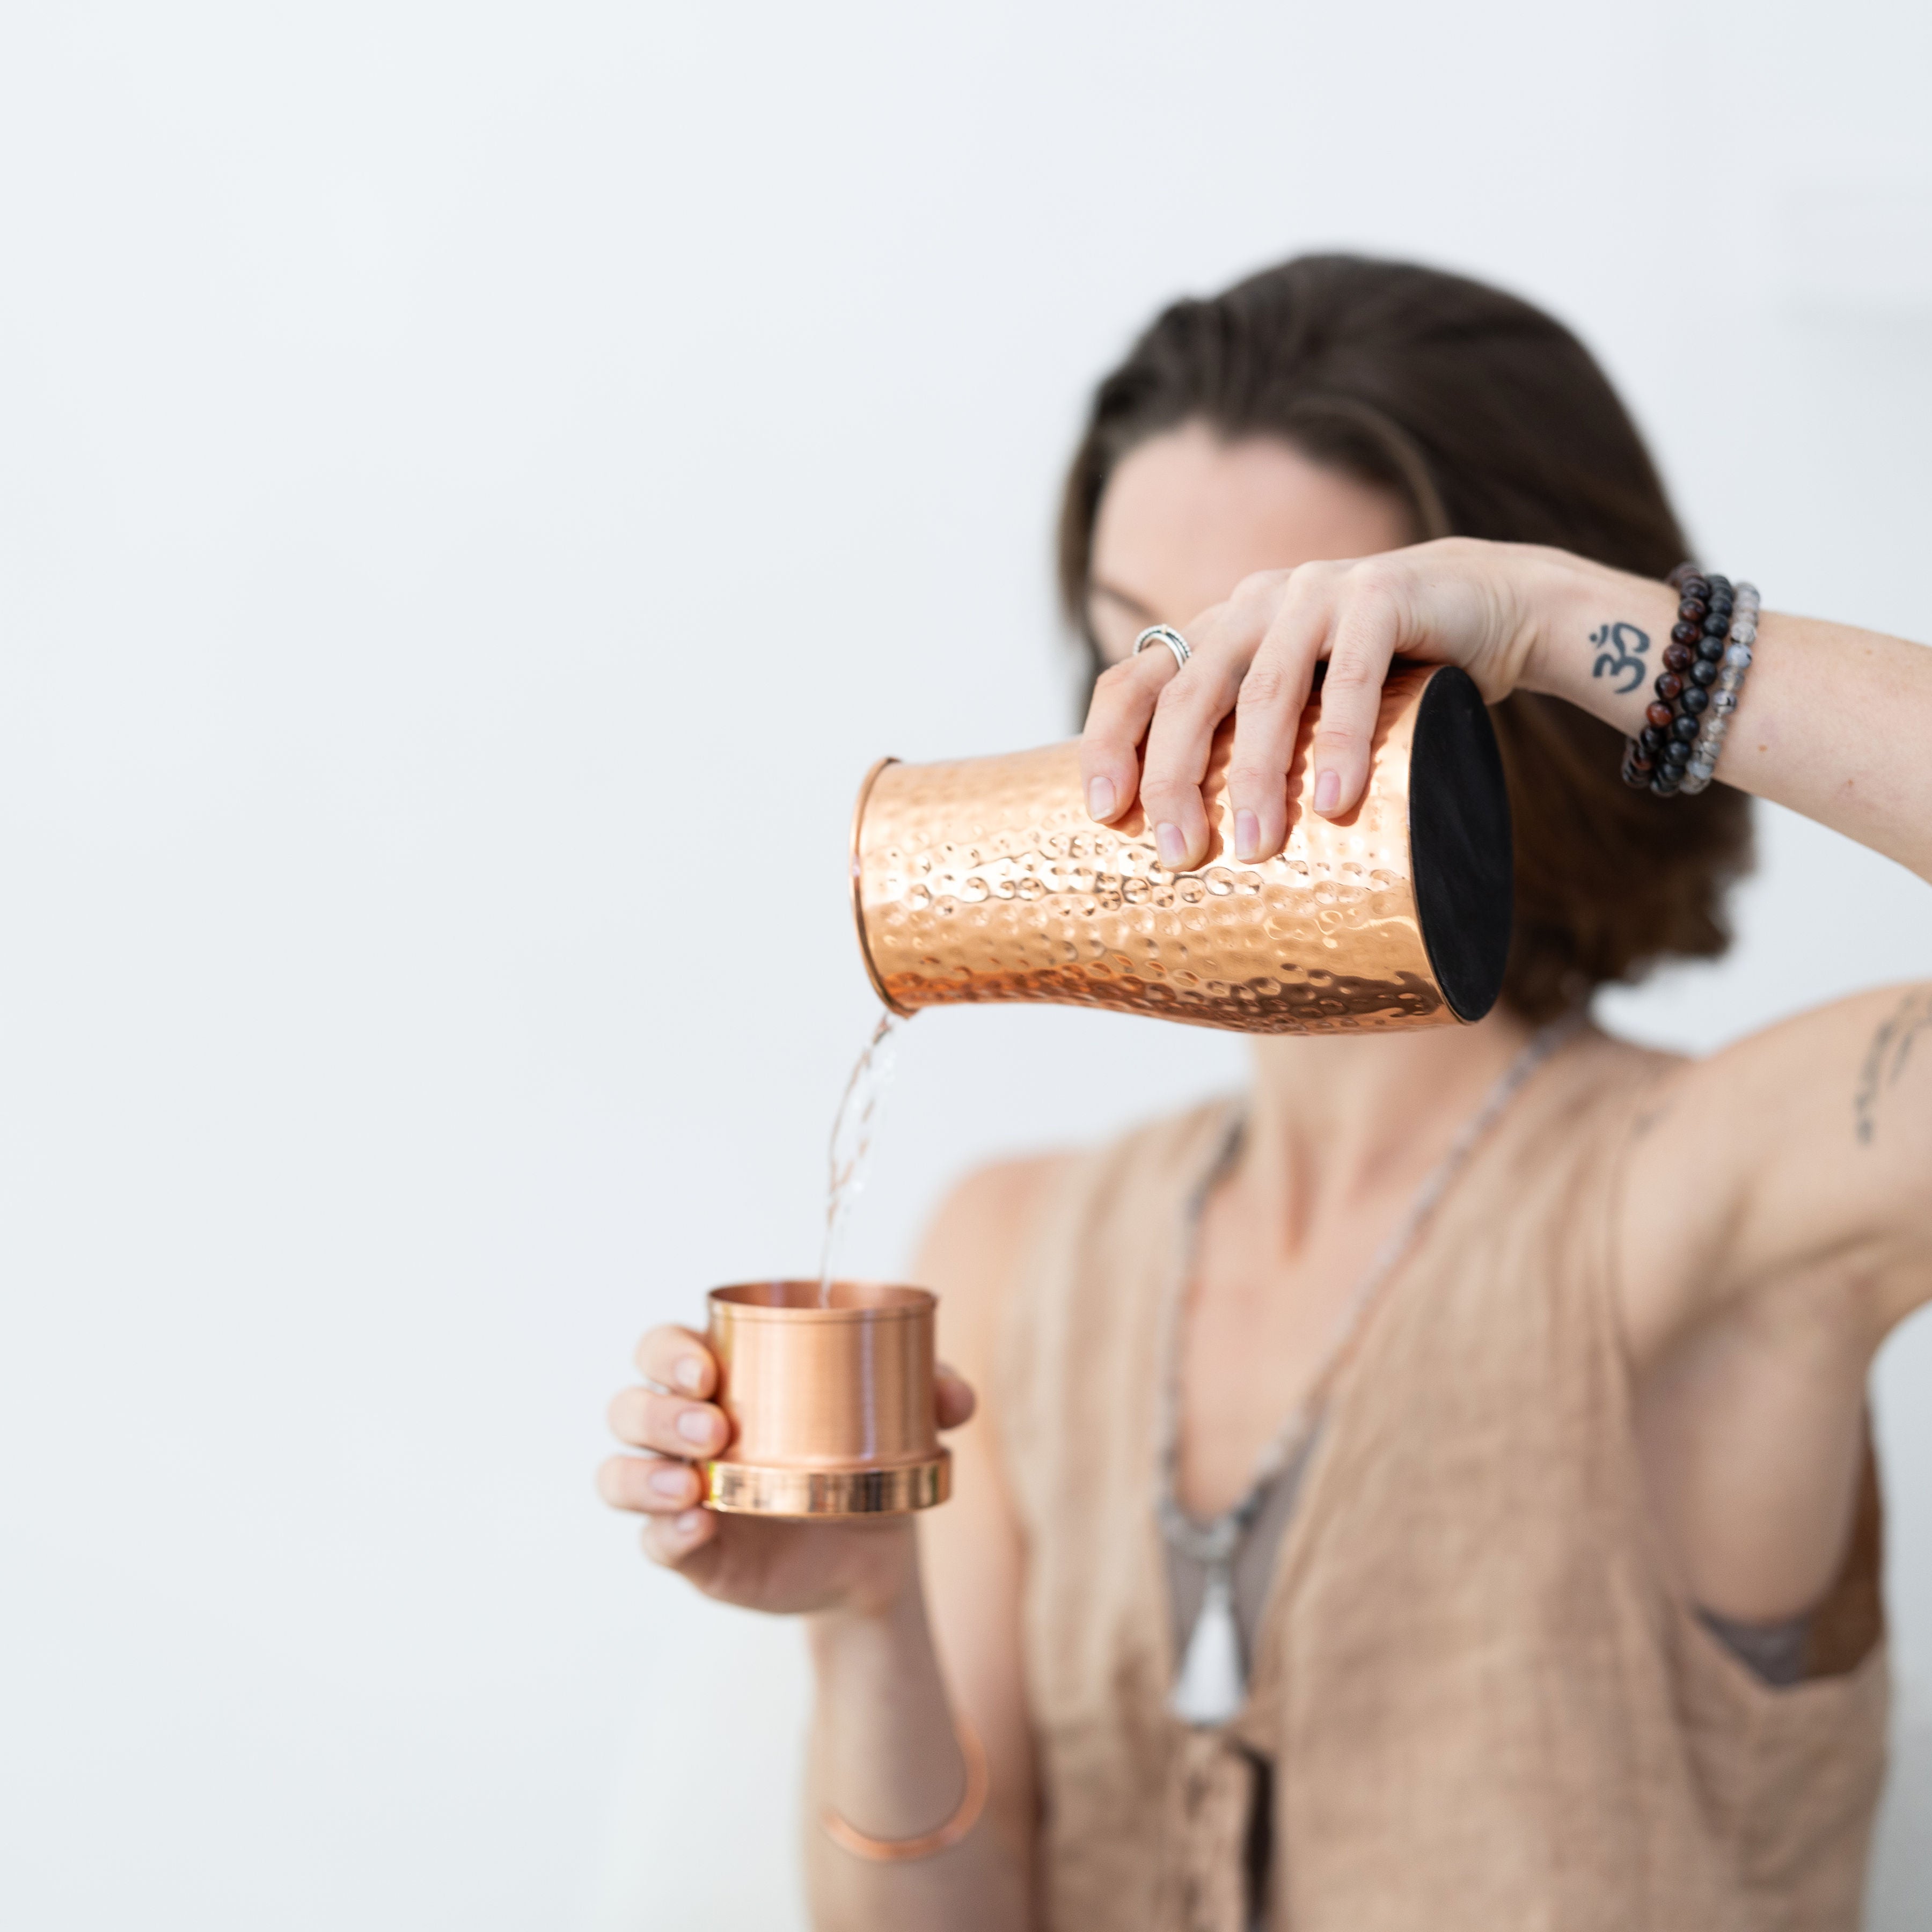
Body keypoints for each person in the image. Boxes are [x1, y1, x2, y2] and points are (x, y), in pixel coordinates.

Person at [597, 256, 1932, 1930]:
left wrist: (1582, 625)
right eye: (1128, 645)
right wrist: (870, 1621)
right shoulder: (1026, 1252)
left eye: (1281, 654)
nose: (1164, 729)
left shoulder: (1707, 1195)